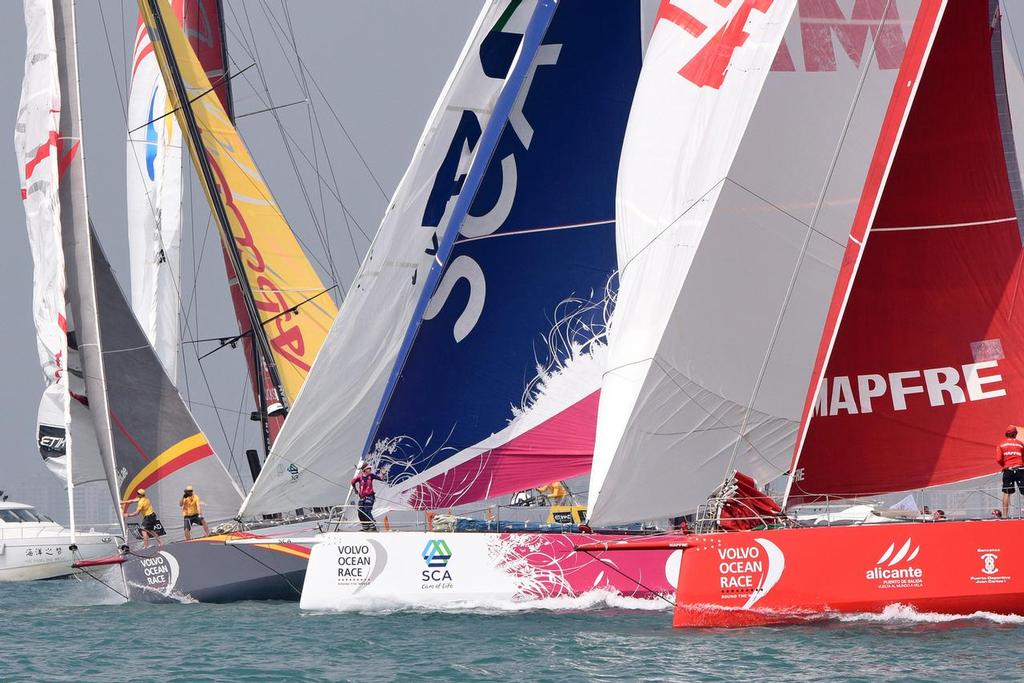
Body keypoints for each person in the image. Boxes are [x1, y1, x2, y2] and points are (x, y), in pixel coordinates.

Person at [997, 425, 1024, 518]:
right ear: (1015, 434)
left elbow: (999, 459)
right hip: (1020, 469)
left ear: (1006, 434)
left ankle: (1005, 516)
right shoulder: (1021, 444)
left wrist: (1005, 466)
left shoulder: (1001, 444)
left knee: (1006, 492)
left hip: (1008, 470)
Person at [351, 462, 384, 531]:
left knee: (367, 511)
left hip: (370, 496)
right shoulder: (359, 477)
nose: (370, 470)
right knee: (360, 512)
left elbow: (381, 478)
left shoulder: (371, 476)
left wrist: (382, 473)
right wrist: (355, 490)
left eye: (370, 468)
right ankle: (365, 527)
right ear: (364, 470)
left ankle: (373, 527)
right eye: (368, 469)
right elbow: (352, 482)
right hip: (362, 498)